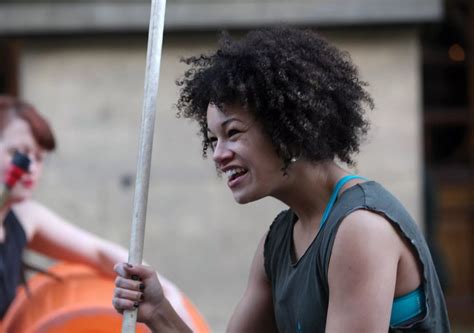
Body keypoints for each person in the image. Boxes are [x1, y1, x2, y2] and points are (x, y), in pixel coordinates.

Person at [112, 27, 450, 332]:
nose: (218, 154)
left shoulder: (360, 230)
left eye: (233, 133)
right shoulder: (275, 244)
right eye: (213, 139)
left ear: (288, 129)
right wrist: (158, 312)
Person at [0, 95, 194, 327]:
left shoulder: (24, 216)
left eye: (40, 158)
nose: (31, 167)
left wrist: (167, 295)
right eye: (17, 153)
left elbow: (99, 253)